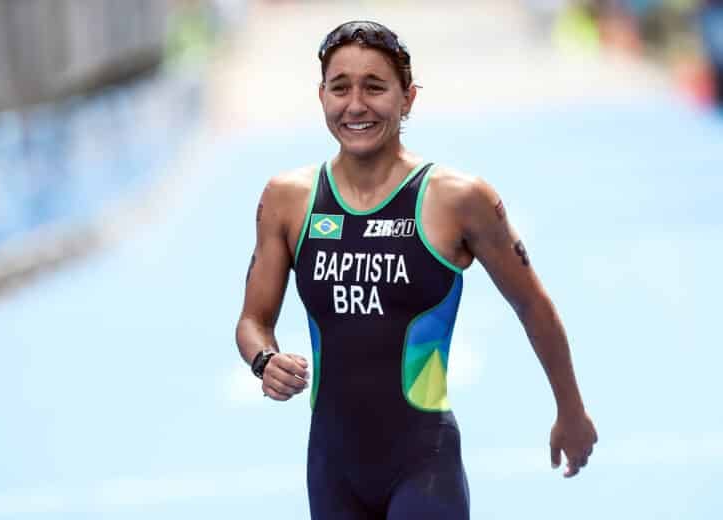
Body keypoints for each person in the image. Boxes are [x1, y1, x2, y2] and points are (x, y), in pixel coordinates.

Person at [235, 20, 598, 519]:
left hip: (423, 463)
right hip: (331, 468)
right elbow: (253, 321)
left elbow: (533, 305)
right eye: (340, 88)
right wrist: (264, 361)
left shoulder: (459, 199)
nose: (356, 105)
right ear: (321, 96)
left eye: (375, 87)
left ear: (408, 98)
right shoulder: (286, 200)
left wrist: (571, 411)